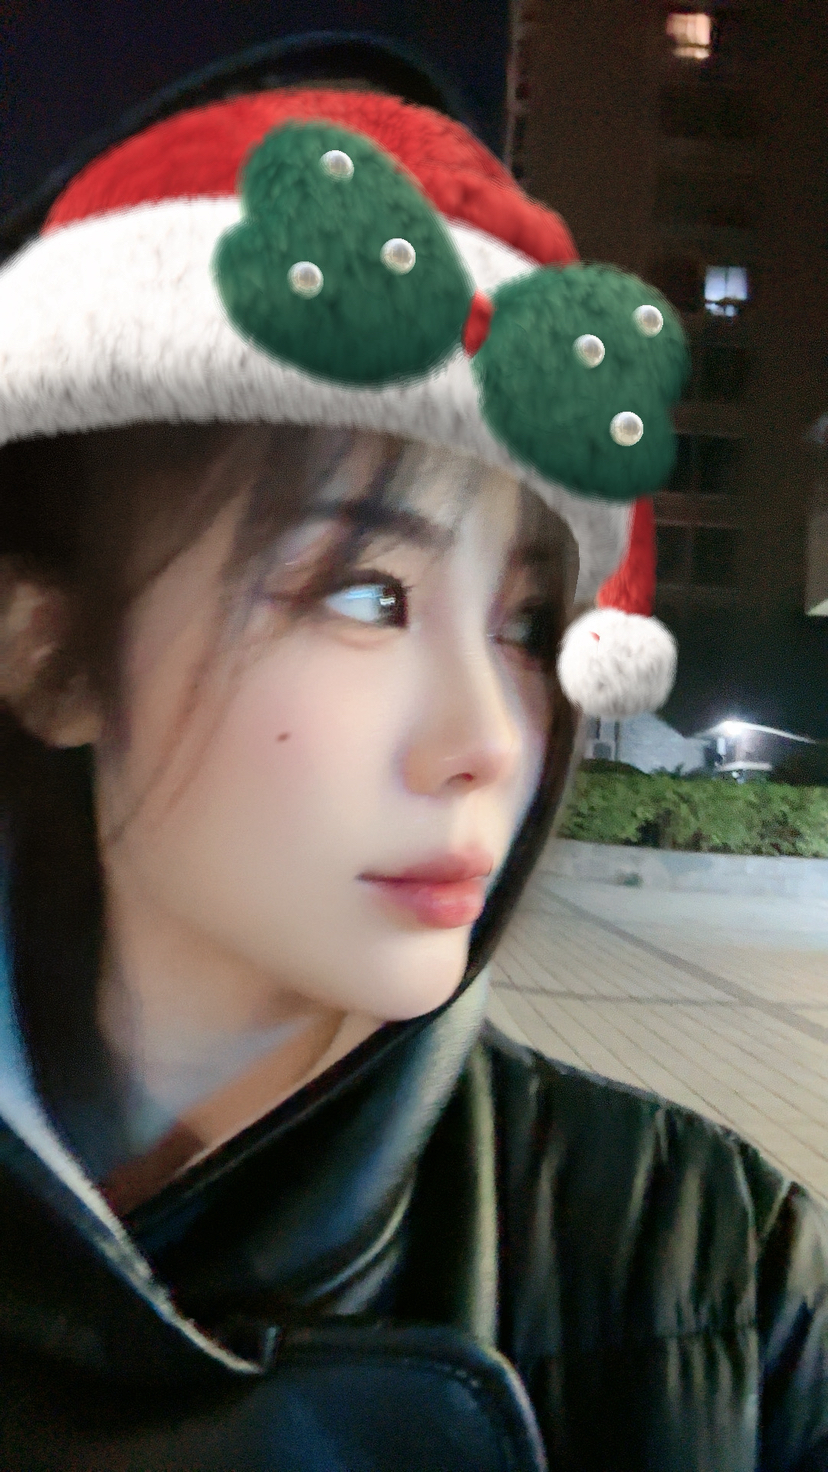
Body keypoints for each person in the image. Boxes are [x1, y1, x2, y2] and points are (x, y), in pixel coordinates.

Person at [0, 73, 825, 1472]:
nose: (492, 740)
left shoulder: (717, 1282)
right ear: (53, 653)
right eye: (365, 593)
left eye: (525, 625)